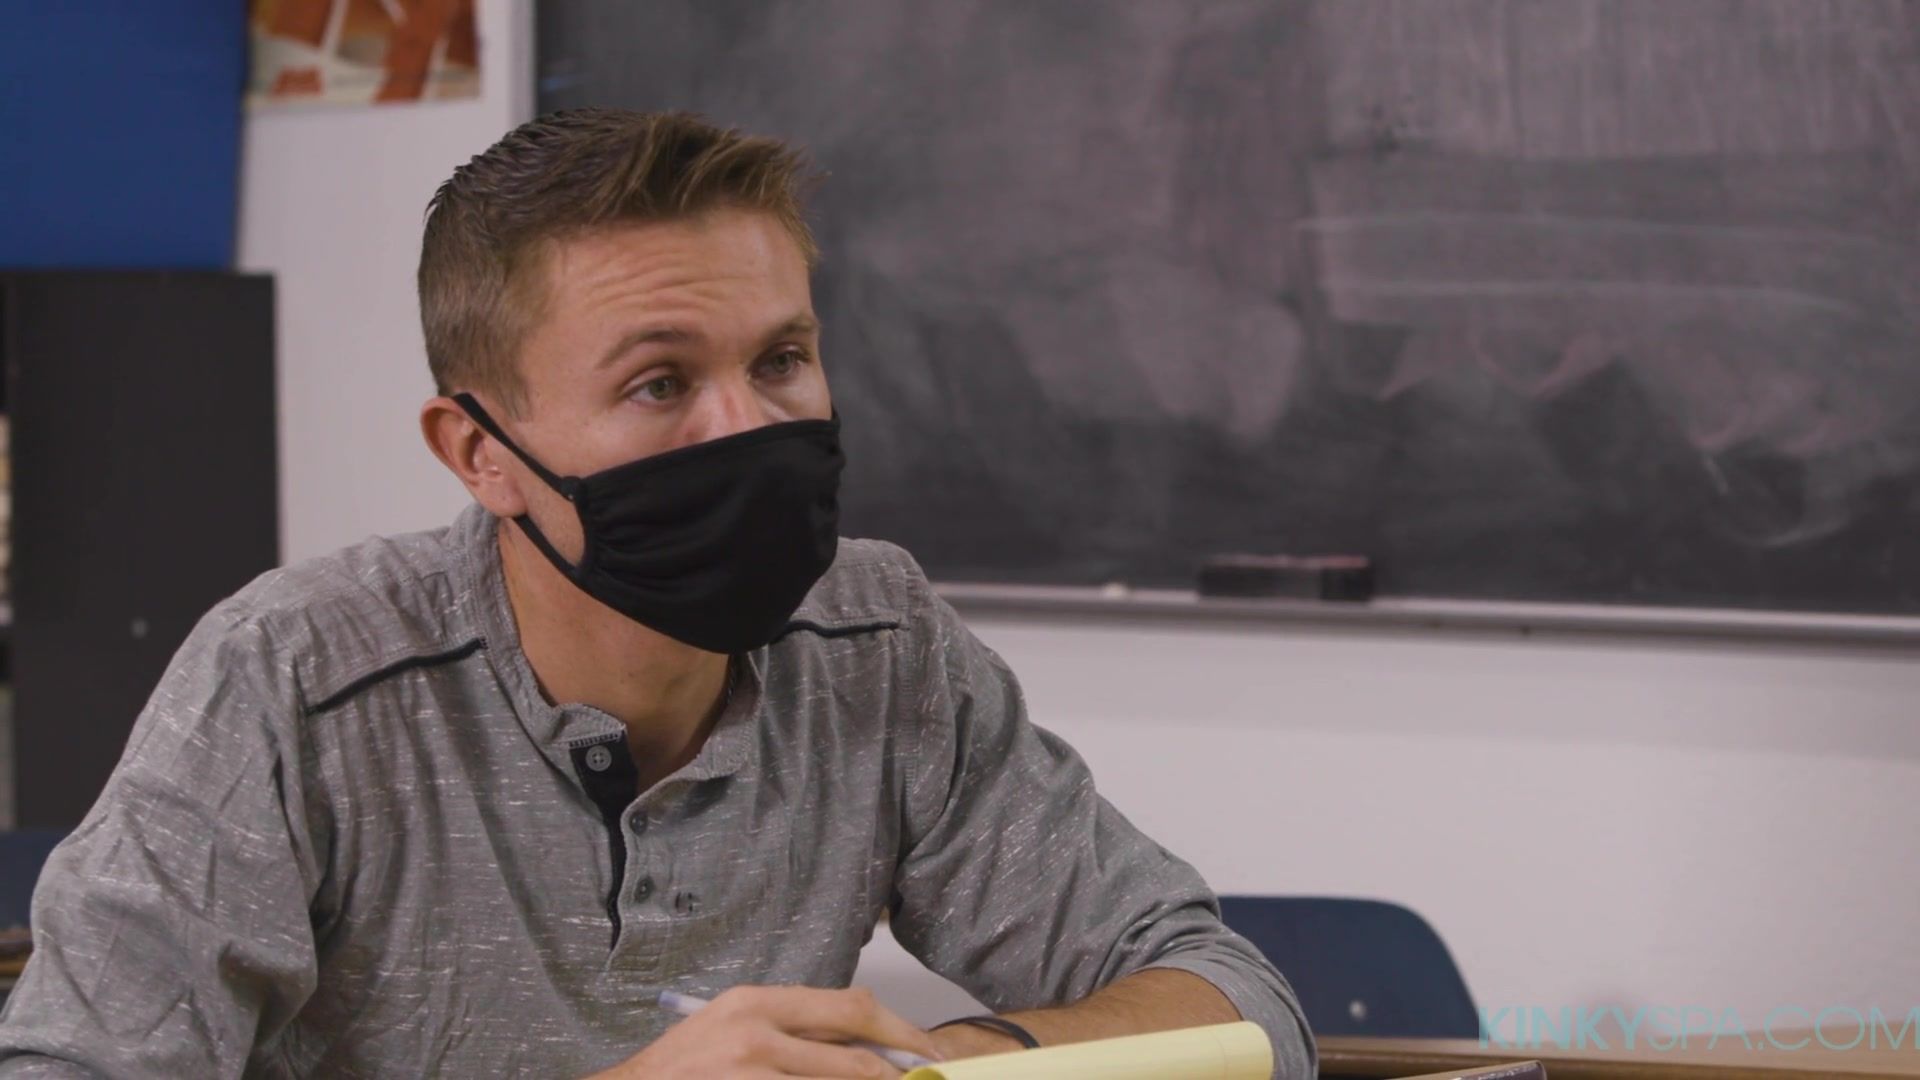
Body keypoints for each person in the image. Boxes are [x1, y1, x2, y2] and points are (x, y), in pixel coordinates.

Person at [0, 109, 1313, 1079]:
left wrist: (938, 1064)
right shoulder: (296, 678)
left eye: (782, 359)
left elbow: (1242, 1009)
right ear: (481, 455)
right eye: (660, 383)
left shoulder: (878, 641)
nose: (748, 430)